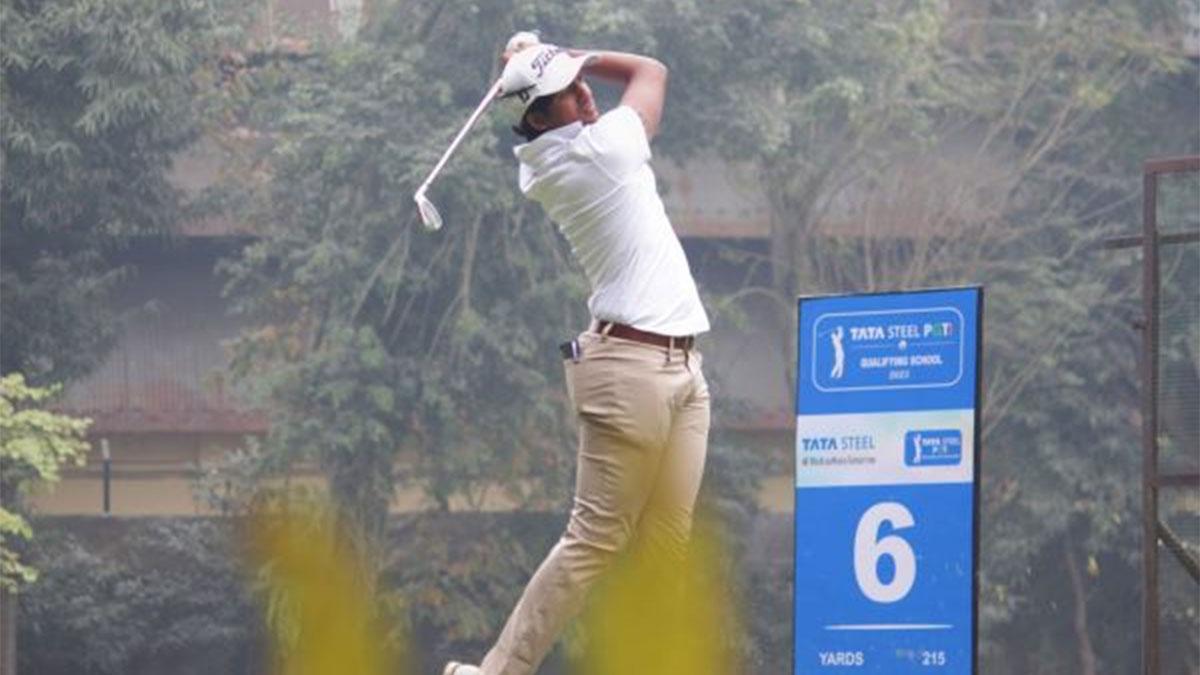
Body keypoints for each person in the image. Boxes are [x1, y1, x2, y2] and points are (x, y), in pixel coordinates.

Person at [444, 34, 711, 675]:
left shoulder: (550, 153)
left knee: (667, 545)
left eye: (578, 82)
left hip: (681, 370)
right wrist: (576, 53)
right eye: (567, 92)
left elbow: (585, 89)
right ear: (537, 116)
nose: (584, 94)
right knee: (594, 538)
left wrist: (537, 63)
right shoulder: (601, 151)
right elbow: (651, 68)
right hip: (631, 373)